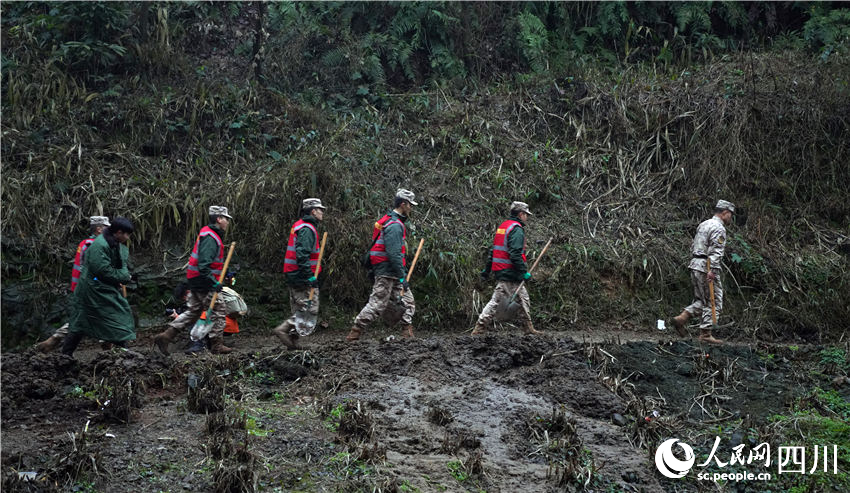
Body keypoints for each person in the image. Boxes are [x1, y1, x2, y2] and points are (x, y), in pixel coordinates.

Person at [153, 206, 233, 355]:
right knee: (219, 309)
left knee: (193, 311)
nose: (228, 222)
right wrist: (213, 282)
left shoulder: (208, 234)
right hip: (204, 282)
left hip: (196, 280)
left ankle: (166, 336)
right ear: (219, 219)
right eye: (226, 219)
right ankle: (216, 345)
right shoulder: (211, 237)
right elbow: (204, 265)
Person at [347, 189, 418, 342]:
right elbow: (393, 254)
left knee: (408, 301)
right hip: (387, 272)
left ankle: (407, 333)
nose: (411, 208)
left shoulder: (392, 221)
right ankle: (355, 332)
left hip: (392, 271)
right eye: (410, 205)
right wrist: (402, 276)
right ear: (403, 204)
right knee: (377, 304)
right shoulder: (394, 225)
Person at [62, 217, 136, 356]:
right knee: (84, 322)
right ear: (119, 232)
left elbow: (120, 265)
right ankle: (66, 355)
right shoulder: (99, 245)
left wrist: (123, 274)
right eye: (127, 234)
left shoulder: (112, 243)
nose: (127, 237)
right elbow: (103, 270)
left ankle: (123, 351)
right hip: (92, 290)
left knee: (114, 316)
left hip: (100, 289)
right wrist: (124, 276)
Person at [37, 216, 111, 352]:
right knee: (92, 317)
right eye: (107, 227)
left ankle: (56, 340)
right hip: (92, 288)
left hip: (85, 288)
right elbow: (93, 270)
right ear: (99, 229)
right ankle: (109, 350)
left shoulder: (85, 243)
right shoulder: (94, 245)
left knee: (90, 316)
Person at [471, 201, 542, 336]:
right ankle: (479, 328)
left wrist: (487, 270)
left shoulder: (503, 227)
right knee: (496, 301)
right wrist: (523, 272)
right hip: (509, 271)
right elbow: (515, 253)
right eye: (526, 214)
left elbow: (493, 251)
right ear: (521, 214)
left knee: (523, 298)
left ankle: (528, 328)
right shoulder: (516, 230)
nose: (527, 217)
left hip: (503, 269)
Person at [671, 200, 735, 344]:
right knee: (714, 301)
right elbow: (716, 251)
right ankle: (706, 334)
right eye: (730, 214)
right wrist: (712, 270)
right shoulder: (719, 228)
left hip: (695, 264)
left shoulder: (704, 224)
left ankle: (682, 318)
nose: (731, 217)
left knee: (702, 299)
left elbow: (695, 245)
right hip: (706, 266)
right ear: (725, 212)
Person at [273, 198, 326, 349]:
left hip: (294, 274)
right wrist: (309, 275)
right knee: (310, 308)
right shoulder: (307, 229)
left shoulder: (300, 225)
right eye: (320, 209)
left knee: (299, 307)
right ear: (313, 211)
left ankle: (294, 343)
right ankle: (283, 329)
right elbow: (302, 254)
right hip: (301, 275)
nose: (322, 212)